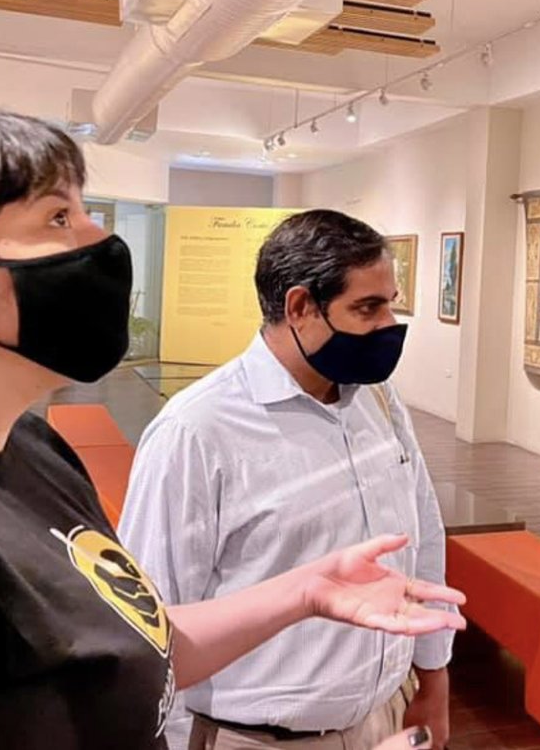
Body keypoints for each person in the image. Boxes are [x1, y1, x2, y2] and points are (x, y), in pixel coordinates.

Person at [0, 111, 463, 750]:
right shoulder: (194, 429)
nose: (100, 237)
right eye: (58, 217)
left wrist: (307, 591)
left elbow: (141, 636)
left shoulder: (38, 454)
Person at [120, 210, 456, 750]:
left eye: (391, 301)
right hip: (254, 737)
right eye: (368, 307)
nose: (388, 324)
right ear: (300, 307)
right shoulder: (196, 431)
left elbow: (424, 540)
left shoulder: (379, 401)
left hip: (385, 718)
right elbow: (148, 619)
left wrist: (433, 678)